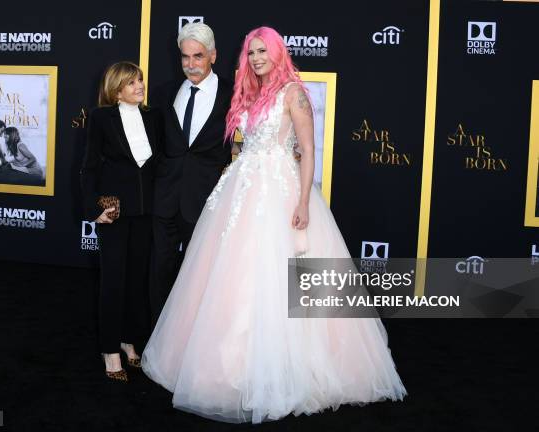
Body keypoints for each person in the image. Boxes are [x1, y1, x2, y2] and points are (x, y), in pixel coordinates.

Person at [141, 27, 407, 422]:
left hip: (280, 191)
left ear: (278, 52)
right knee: (231, 277)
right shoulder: (248, 93)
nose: (257, 58)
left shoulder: (294, 93)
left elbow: (309, 150)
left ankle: (285, 371)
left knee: (277, 273)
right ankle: (222, 365)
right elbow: (239, 144)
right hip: (242, 187)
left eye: (263, 51)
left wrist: (302, 200)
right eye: (251, 52)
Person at [80, 61, 160, 382]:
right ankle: (110, 348)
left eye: (140, 80)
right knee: (113, 281)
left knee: (136, 281)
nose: (139, 86)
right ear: (116, 90)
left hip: (146, 211)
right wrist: (93, 208)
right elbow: (89, 167)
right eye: (131, 83)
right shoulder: (101, 118)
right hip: (113, 210)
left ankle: (129, 339)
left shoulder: (153, 117)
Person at [149, 22, 233, 323]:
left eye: (198, 56)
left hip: (206, 199)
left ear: (213, 55)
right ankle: (157, 337)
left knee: (200, 276)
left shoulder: (233, 95)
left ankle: (192, 337)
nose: (190, 64)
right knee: (160, 270)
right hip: (165, 196)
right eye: (185, 57)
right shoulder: (163, 93)